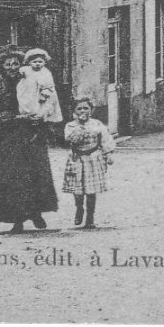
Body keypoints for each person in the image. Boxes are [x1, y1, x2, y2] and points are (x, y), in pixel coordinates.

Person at [0, 51, 59, 234]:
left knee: (37, 173)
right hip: (11, 136)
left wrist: (41, 115)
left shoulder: (31, 79)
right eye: (8, 64)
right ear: (1, 67)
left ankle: (36, 211)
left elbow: (46, 98)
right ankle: (17, 219)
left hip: (33, 133)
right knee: (13, 177)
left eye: (15, 63)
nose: (12, 68)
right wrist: (17, 118)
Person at [62, 97, 115, 229]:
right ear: (74, 111)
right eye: (79, 108)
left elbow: (105, 139)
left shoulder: (97, 124)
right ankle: (79, 209)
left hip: (93, 158)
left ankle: (90, 218)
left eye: (86, 108)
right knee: (78, 190)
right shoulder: (70, 126)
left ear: (91, 110)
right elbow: (71, 139)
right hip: (77, 158)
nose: (83, 111)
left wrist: (108, 154)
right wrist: (81, 126)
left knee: (92, 190)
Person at [16, 47, 63, 128]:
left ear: (44, 62)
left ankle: (40, 117)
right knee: (28, 102)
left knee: (42, 106)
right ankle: (29, 114)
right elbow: (21, 70)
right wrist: (22, 72)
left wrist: (45, 92)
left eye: (40, 62)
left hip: (42, 92)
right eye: (34, 62)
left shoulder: (45, 72)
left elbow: (48, 84)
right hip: (29, 91)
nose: (37, 64)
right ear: (29, 63)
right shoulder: (27, 70)